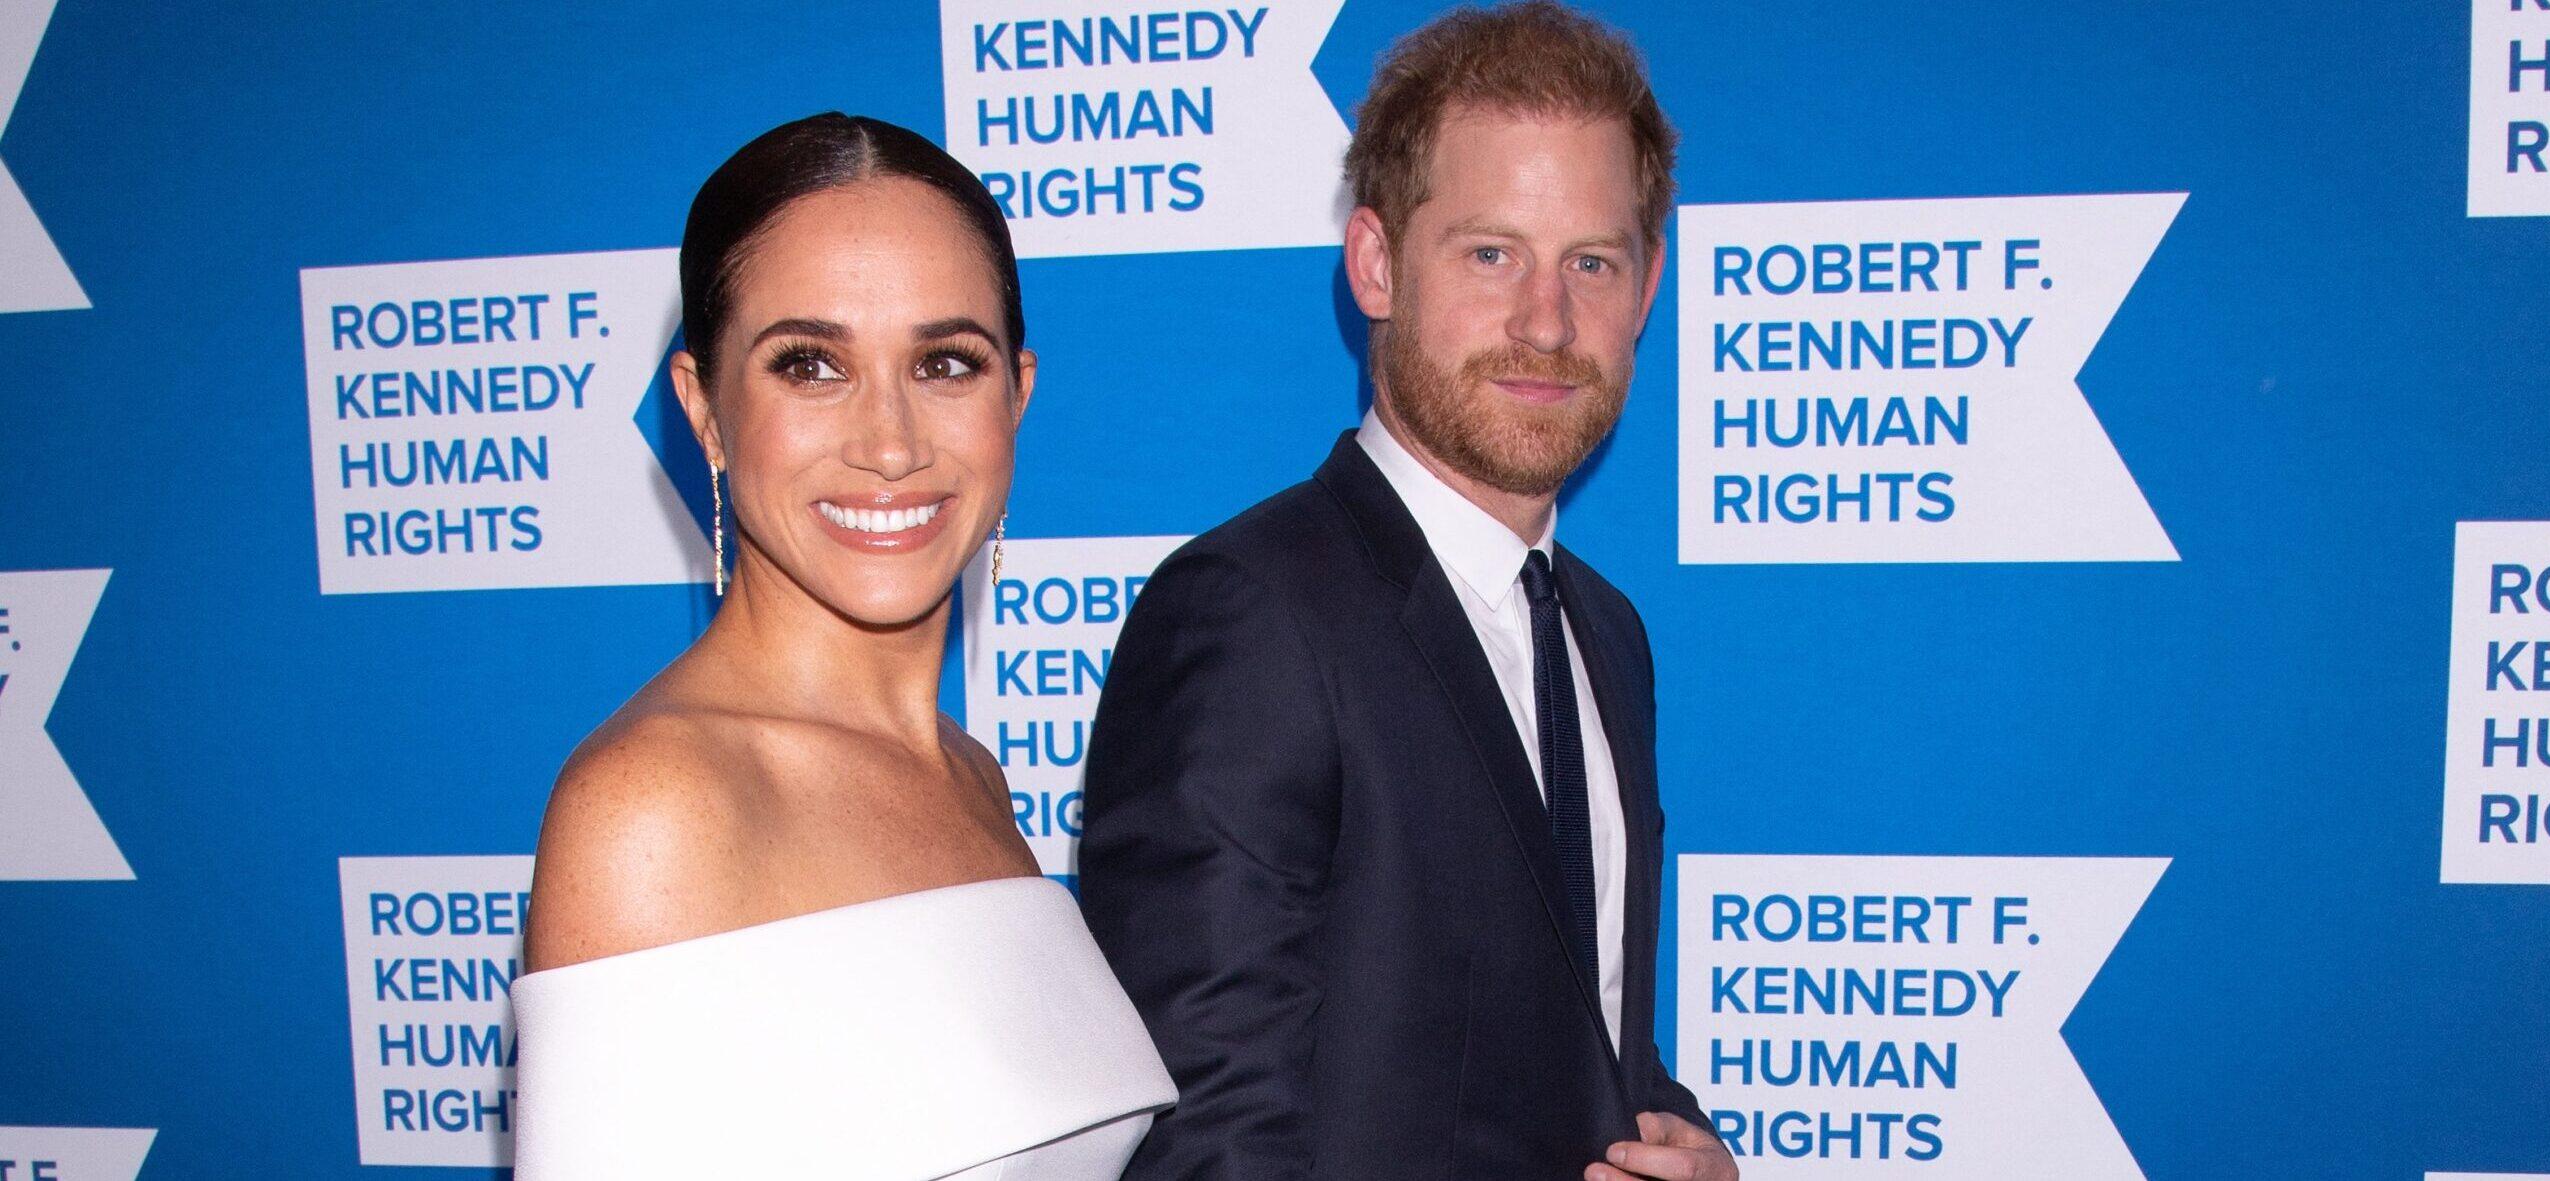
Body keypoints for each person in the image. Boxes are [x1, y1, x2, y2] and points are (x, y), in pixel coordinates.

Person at [1077, 5, 1740, 1179]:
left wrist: (1683, 1147)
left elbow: (1570, 1022)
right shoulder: (1249, 613)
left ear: (1648, 288)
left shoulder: (1604, 630)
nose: (1546, 321)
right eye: (1490, 253)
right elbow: (1209, 1137)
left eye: (1591, 261)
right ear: (1376, 262)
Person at [512, 113, 1172, 1180]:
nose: (890, 444)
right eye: (810, 365)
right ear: (704, 408)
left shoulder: (967, 776)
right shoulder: (656, 806)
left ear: (1019, 392)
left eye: (946, 362)